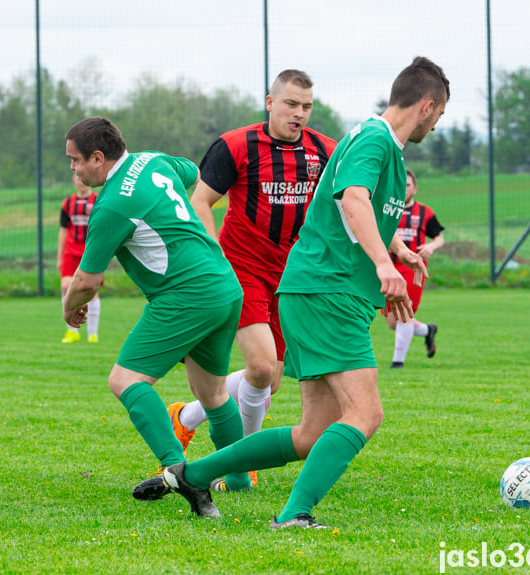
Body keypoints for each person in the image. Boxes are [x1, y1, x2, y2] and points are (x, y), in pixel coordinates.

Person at [135, 57, 449, 528]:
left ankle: (190, 474)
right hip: (327, 293)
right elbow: (354, 198)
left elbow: (345, 213)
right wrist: (384, 265)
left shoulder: (371, 142)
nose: (437, 124)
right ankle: (294, 515)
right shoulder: (375, 139)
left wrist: (396, 249)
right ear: (427, 106)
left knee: (311, 433)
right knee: (365, 413)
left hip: (314, 289)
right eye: (440, 116)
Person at [63, 116, 253, 512]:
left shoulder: (112, 204)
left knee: (125, 379)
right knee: (213, 393)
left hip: (186, 295)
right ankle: (237, 479)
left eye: (76, 160)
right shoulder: (151, 161)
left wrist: (68, 307)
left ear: (98, 158)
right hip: (224, 285)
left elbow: (86, 282)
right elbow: (192, 170)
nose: (73, 169)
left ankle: (179, 471)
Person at [169, 70, 338, 491]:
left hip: (292, 275)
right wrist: (215, 258)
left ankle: (186, 415)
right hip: (241, 267)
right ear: (270, 102)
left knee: (269, 380)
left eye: (306, 107)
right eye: (291, 104)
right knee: (261, 368)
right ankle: (237, 466)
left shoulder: (325, 151)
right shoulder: (236, 145)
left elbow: (349, 205)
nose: (299, 114)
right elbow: (201, 202)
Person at [385, 167, 445, 368]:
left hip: (413, 269)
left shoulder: (424, 212)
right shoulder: (387, 209)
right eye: (400, 184)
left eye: (408, 185)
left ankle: (397, 363)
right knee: (393, 322)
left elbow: (439, 238)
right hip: (389, 268)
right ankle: (428, 330)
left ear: (415, 188)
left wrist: (431, 246)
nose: (404, 189)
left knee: (404, 314)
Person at [58, 173, 101, 344]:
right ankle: (72, 332)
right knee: (65, 285)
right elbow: (62, 230)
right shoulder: (68, 203)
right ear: (73, 180)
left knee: (91, 291)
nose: (81, 182)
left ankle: (92, 334)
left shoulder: (98, 200)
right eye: (77, 178)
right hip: (70, 251)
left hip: (89, 252)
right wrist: (59, 257)